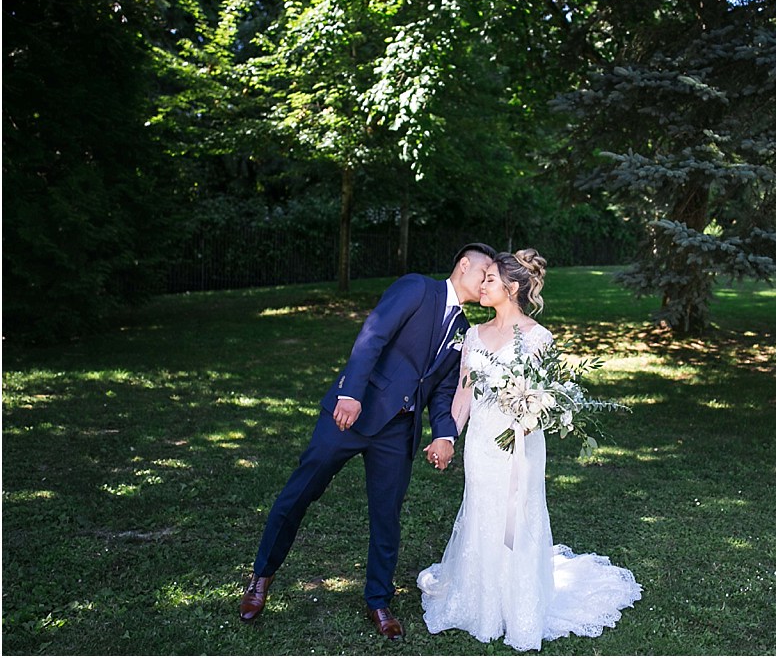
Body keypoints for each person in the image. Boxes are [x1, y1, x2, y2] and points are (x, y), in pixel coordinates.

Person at [239, 242, 496, 640]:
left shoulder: (464, 330)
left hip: (399, 431)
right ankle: (261, 576)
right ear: (464, 265)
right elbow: (373, 334)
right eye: (485, 273)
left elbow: (443, 390)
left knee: (387, 517)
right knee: (301, 492)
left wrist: (444, 434)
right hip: (353, 414)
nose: (487, 282)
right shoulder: (417, 288)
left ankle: (378, 599)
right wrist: (350, 393)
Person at [417, 249, 643, 652]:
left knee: (519, 516)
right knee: (482, 511)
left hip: (520, 445)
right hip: (482, 444)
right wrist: (448, 437)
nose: (482, 284)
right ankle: (483, 603)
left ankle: (520, 605)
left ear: (512, 288)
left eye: (490, 279)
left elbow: (546, 397)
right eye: (484, 278)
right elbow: (463, 396)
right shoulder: (473, 335)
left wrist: (530, 414)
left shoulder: (539, 337)